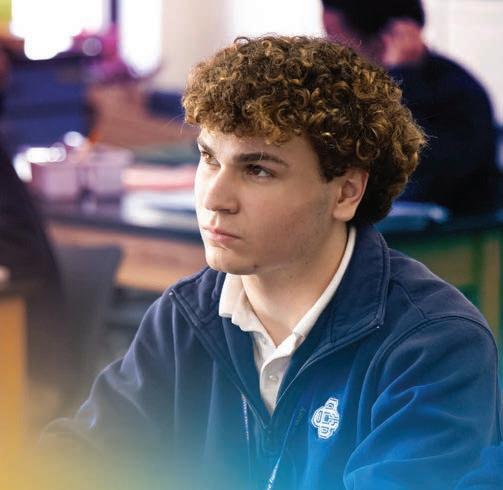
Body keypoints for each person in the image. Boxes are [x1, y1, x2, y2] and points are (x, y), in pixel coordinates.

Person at [42, 36, 502, 489]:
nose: (214, 198)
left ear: (346, 192)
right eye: (208, 158)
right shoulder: (185, 316)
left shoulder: (434, 344)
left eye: (258, 170)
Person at [322, 0, 501, 215]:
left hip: (451, 228)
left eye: (334, 35)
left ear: (387, 36)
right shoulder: (347, 88)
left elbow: (422, 171)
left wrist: (403, 77)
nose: (331, 47)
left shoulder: (458, 91)